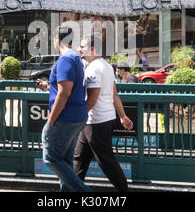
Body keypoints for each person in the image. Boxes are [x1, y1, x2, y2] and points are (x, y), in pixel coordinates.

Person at [74, 35, 133, 191]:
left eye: (83, 46)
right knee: (79, 160)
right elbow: (114, 94)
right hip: (95, 122)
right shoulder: (107, 67)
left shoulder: (93, 69)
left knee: (107, 162)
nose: (80, 49)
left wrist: (77, 116)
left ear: (93, 50)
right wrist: (122, 116)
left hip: (96, 123)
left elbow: (92, 99)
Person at [36, 26, 90, 192]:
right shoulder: (75, 58)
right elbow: (66, 88)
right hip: (77, 116)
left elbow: (64, 92)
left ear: (57, 40)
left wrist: (51, 120)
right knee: (65, 161)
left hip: (65, 118)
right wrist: (48, 87)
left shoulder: (66, 58)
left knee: (50, 158)